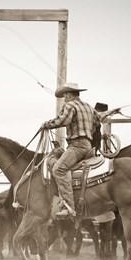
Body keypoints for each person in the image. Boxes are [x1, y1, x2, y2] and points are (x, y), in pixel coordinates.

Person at [41, 82, 118, 218]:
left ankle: (68, 206)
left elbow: (62, 121)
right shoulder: (88, 107)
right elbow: (98, 121)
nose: (64, 99)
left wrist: (46, 125)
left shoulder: (70, 105)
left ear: (69, 95)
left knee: (58, 169)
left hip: (76, 146)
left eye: (65, 96)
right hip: (88, 146)